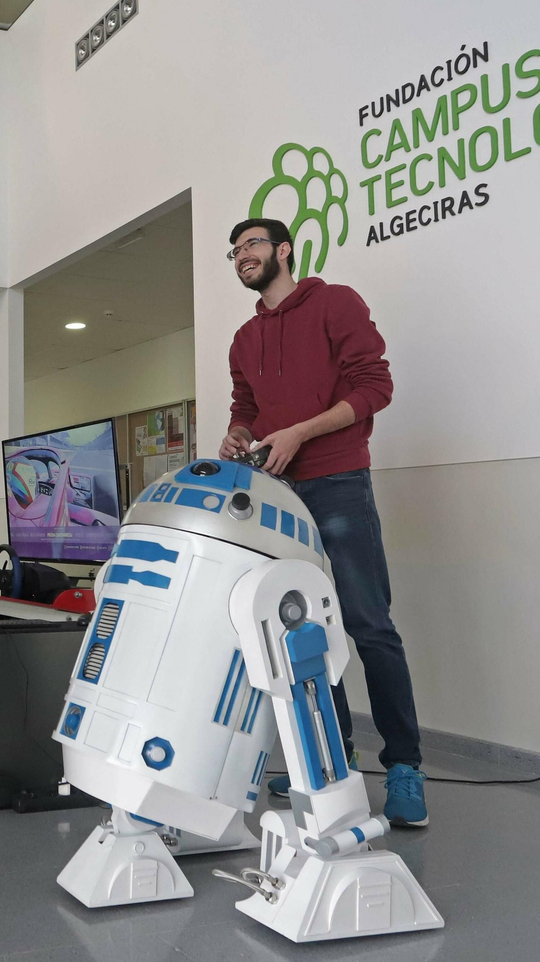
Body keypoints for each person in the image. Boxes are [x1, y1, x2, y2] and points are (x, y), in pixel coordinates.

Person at [220, 217, 429, 827]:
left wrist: (301, 432)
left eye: (252, 245)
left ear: (284, 250)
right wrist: (239, 437)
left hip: (338, 483)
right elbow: (247, 408)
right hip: (279, 494)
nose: (242, 257)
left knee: (367, 624)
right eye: (234, 252)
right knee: (305, 629)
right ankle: (332, 767)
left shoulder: (336, 304)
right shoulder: (242, 338)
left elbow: (375, 387)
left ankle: (405, 767)